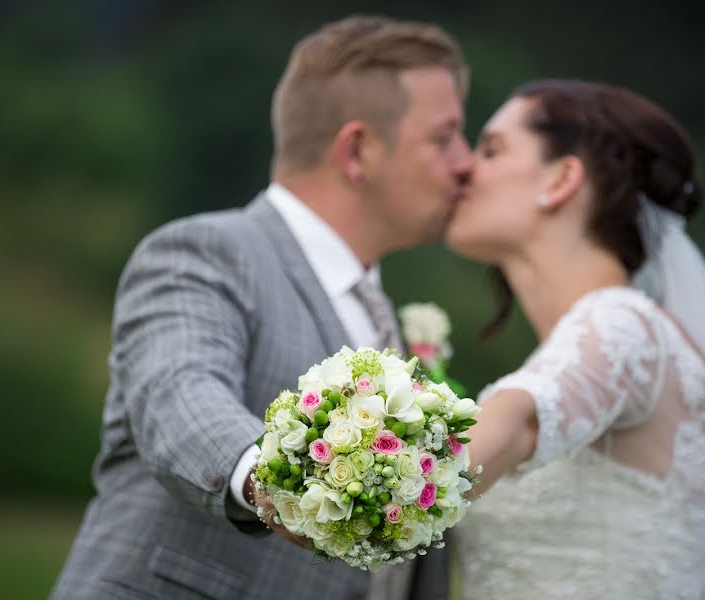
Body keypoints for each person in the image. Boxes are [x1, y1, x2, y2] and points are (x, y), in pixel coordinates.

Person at [49, 15, 472, 600]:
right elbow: (176, 390)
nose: (465, 163)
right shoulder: (207, 253)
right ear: (358, 151)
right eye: (444, 137)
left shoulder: (384, 316)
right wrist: (275, 484)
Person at [445, 80, 705, 599]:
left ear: (562, 178)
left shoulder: (624, 327)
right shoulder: (576, 350)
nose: (463, 169)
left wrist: (375, 487)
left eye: (491, 150)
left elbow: (521, 422)